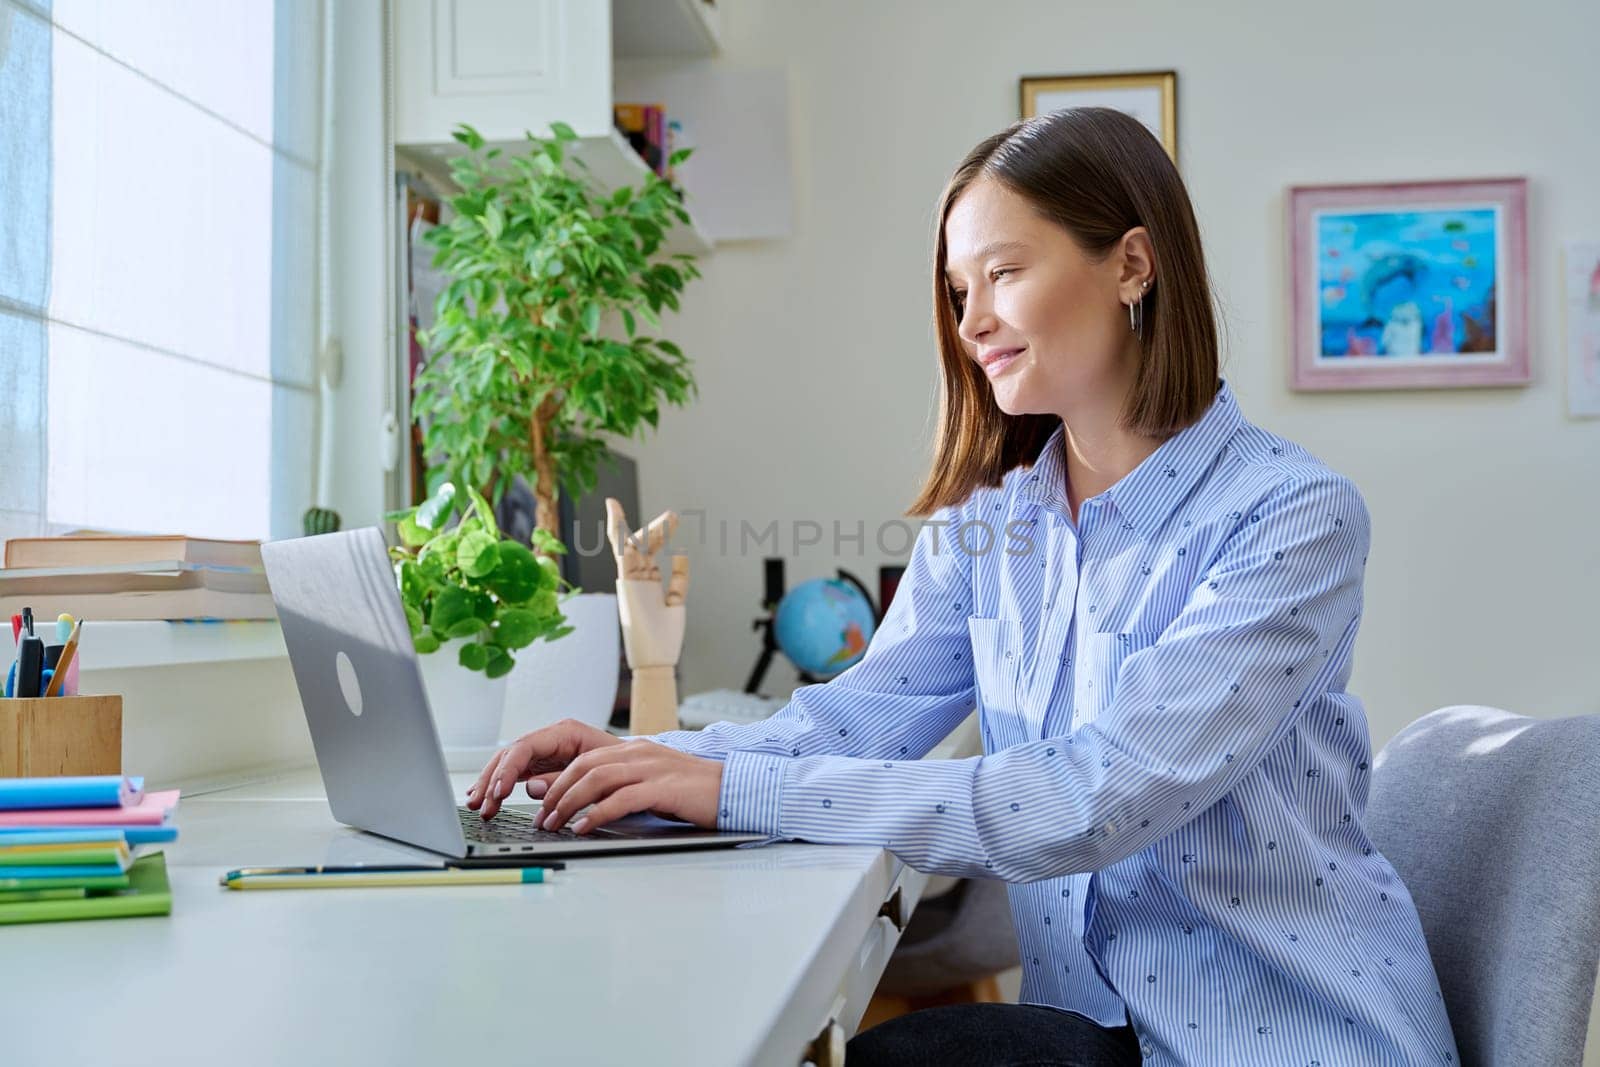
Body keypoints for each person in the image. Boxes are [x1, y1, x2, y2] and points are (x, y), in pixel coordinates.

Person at [466, 107, 1460, 1067]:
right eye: (955, 288)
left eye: (1004, 272)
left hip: (1287, 1038)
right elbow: (856, 719)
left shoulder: (1290, 516)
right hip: (1087, 1034)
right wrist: (645, 760)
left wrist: (730, 784)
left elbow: (1094, 795)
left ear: (1130, 263)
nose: (971, 319)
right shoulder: (991, 522)